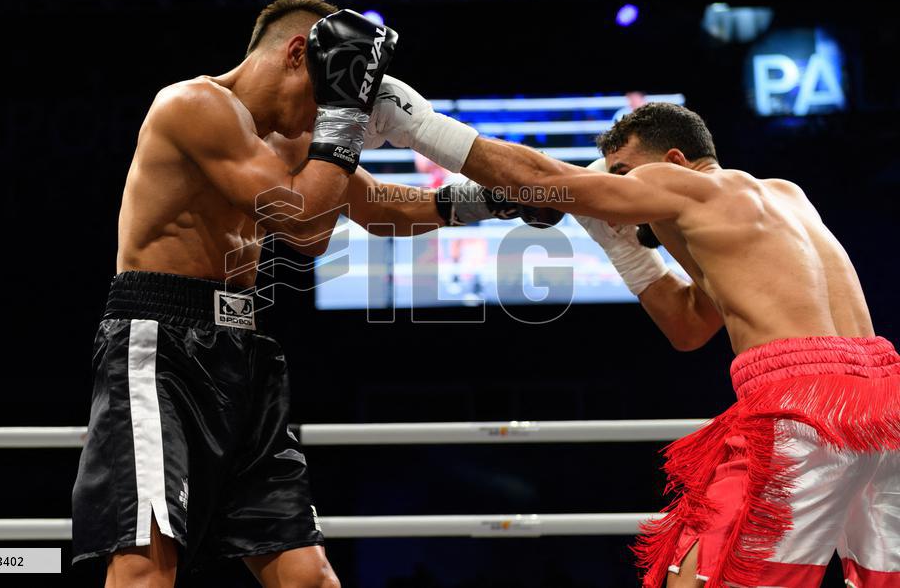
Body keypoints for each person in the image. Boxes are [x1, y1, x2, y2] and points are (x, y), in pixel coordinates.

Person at [71, 0, 558, 588]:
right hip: (161, 348)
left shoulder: (286, 138)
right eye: (325, 96)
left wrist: (490, 200)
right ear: (297, 54)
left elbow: (378, 207)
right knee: (147, 568)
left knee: (308, 576)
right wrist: (344, 114)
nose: (320, 118)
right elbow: (303, 223)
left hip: (242, 353)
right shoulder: (193, 106)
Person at [366, 78, 900, 587]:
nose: (619, 191)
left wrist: (419, 124)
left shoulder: (679, 183)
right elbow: (689, 326)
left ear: (675, 161)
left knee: (698, 576)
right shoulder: (782, 197)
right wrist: (617, 243)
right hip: (884, 406)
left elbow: (544, 181)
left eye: (623, 173)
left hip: (800, 406)